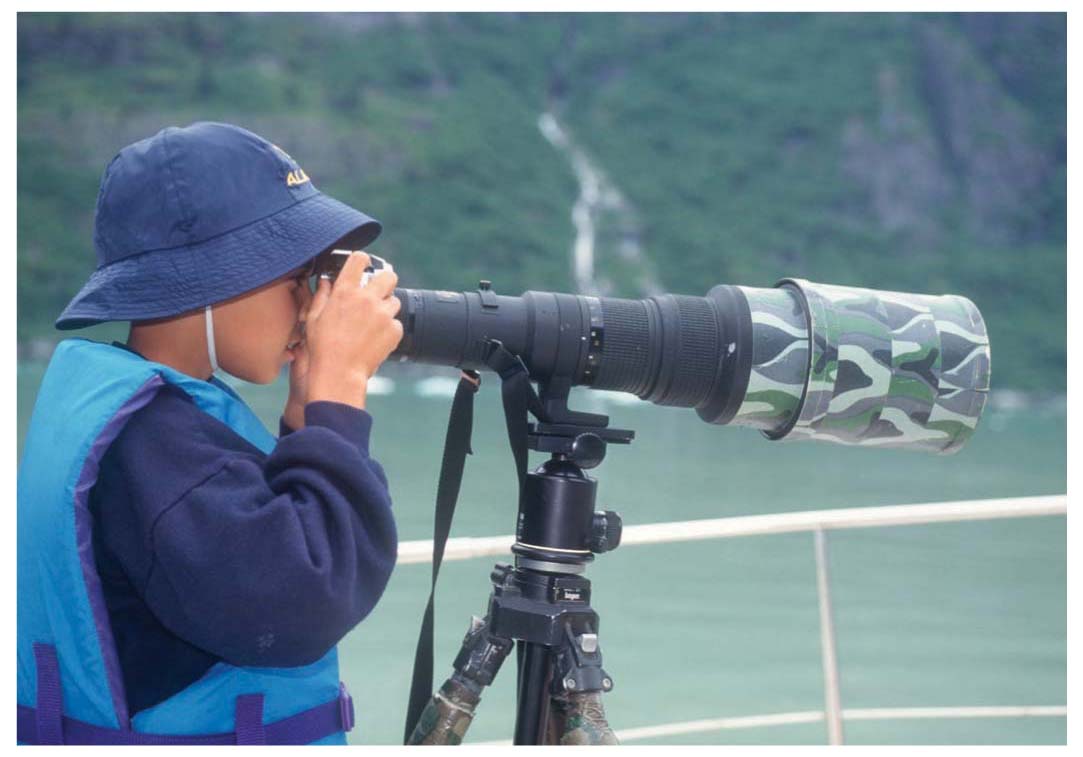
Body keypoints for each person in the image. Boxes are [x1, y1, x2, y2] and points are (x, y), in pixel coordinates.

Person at [17, 122, 404, 745]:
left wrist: (307, 413)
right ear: (212, 279)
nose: (312, 306)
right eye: (299, 278)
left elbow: (263, 538)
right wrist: (340, 388)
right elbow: (305, 602)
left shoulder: (149, 421)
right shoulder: (155, 451)